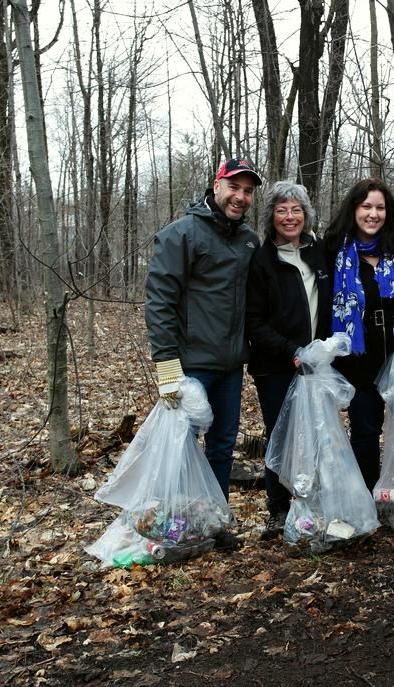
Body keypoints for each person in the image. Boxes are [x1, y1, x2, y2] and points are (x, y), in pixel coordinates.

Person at [145, 157, 263, 507]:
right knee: (181, 444)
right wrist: (166, 365)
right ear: (216, 185)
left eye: (248, 191)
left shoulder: (249, 241)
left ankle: (214, 516)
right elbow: (159, 301)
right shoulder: (181, 234)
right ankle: (177, 518)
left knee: (223, 445)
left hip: (230, 367)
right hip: (190, 366)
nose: (240, 197)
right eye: (234, 187)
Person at [324, 178, 394, 490]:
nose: (373, 214)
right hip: (358, 359)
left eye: (380, 207)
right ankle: (369, 497)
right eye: (366, 206)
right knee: (365, 431)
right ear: (354, 209)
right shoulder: (335, 247)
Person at [246, 181, 332, 540]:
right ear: (271, 216)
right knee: (280, 436)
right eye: (282, 209)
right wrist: (290, 350)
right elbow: (254, 321)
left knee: (316, 433)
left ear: (306, 214)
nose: (290, 216)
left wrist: (326, 349)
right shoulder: (262, 260)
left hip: (317, 364)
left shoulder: (319, 254)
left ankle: (312, 501)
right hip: (276, 366)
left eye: (296, 209)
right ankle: (278, 508)